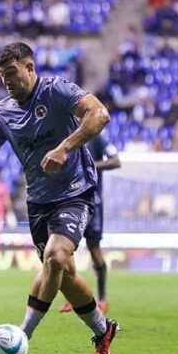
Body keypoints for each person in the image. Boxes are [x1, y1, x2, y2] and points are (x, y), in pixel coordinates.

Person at [0, 42, 119, 354]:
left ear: (30, 67)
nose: (6, 81)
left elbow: (99, 114)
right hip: (39, 201)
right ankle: (103, 331)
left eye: (11, 73)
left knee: (56, 256)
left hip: (75, 191)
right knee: (63, 273)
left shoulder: (56, 90)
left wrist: (65, 147)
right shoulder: (2, 112)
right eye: (1, 76)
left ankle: (21, 335)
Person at [60, 133, 121, 315]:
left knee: (94, 250)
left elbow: (115, 161)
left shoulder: (96, 137)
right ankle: (73, 297)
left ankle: (102, 299)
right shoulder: (63, 133)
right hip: (69, 201)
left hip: (93, 202)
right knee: (66, 251)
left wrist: (88, 165)